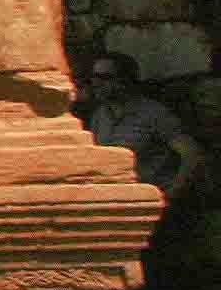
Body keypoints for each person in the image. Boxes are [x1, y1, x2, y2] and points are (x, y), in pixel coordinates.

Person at [84, 48, 199, 194]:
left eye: (105, 77)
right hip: (116, 196)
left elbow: (191, 153)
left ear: (125, 80)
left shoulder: (153, 114)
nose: (96, 83)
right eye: (93, 77)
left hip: (149, 197)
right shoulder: (100, 115)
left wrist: (173, 191)